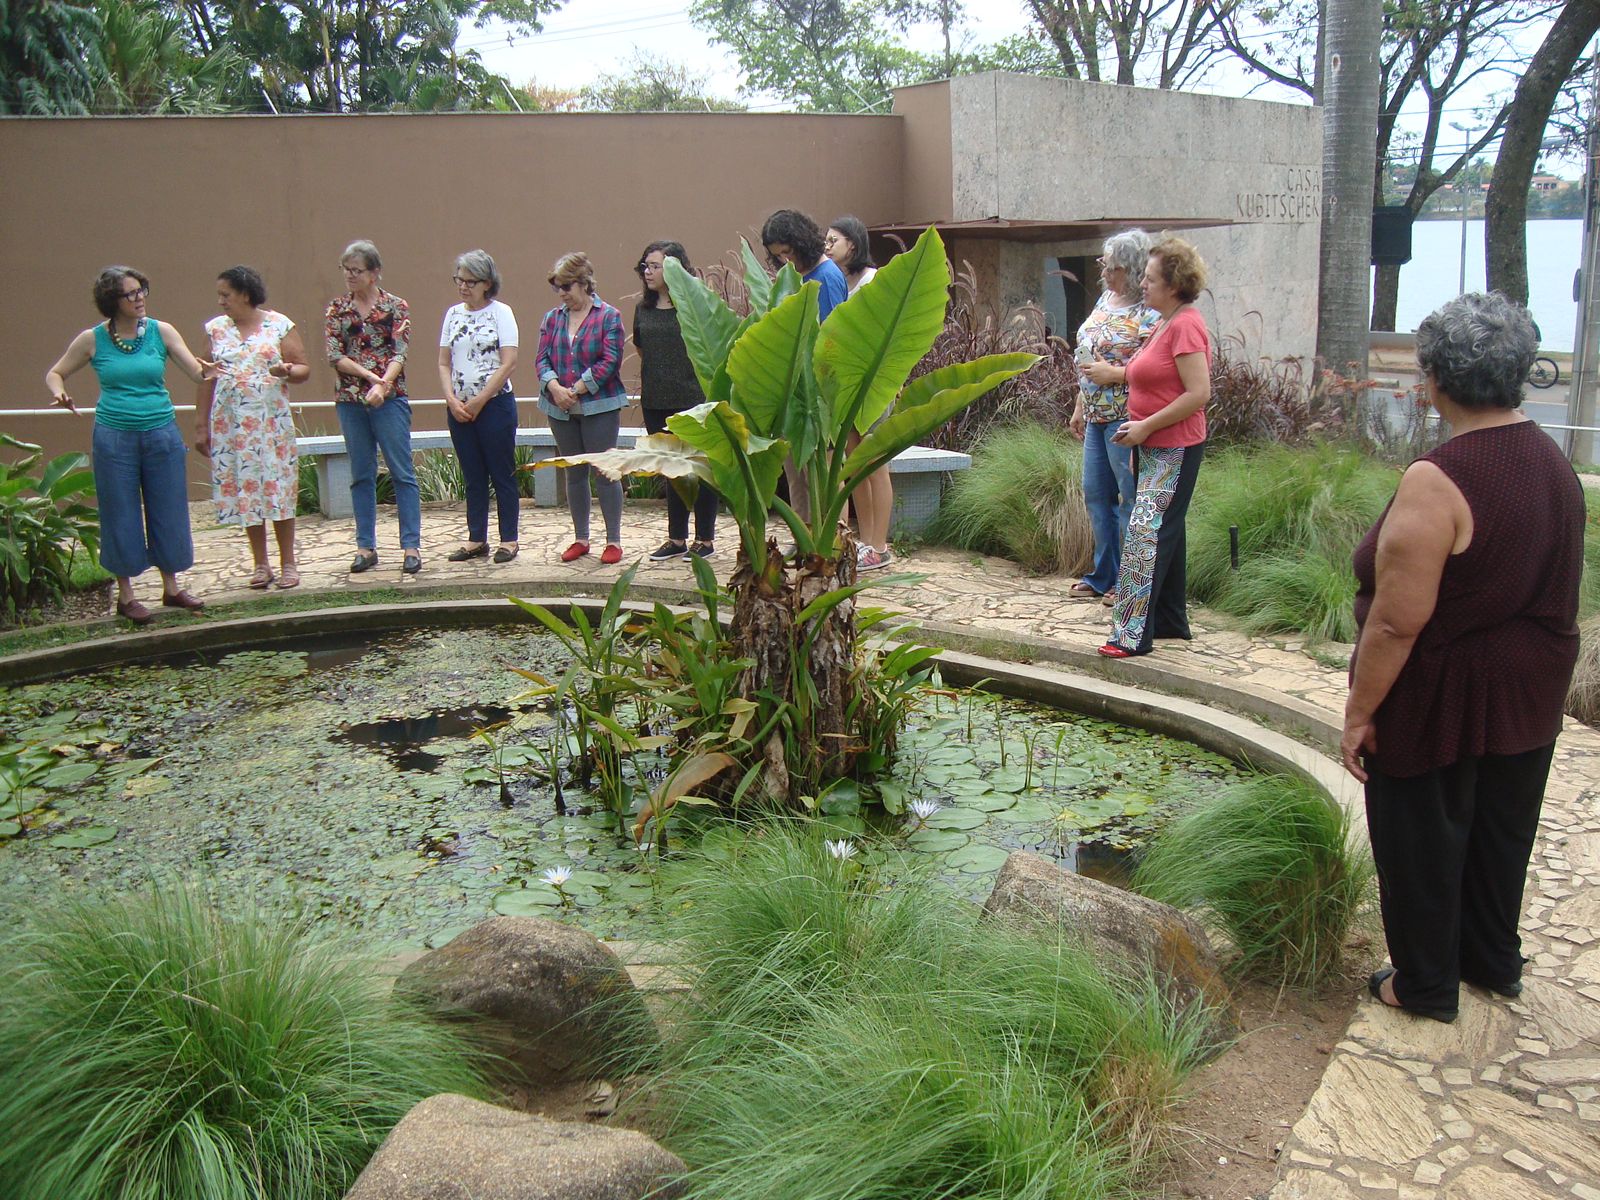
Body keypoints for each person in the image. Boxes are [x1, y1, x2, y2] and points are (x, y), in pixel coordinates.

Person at [1343, 292, 1583, 1024]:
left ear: (1437, 381)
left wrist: (1359, 713)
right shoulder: (1551, 459)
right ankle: (1489, 960)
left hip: (1445, 687)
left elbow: (1395, 623)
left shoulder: (1438, 479)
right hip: (1531, 685)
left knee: (1420, 833)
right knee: (1501, 828)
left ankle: (1423, 983)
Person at [45, 266, 216, 624]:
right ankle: (127, 596)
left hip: (161, 433)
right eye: (130, 293)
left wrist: (210, 370)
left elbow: (196, 372)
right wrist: (59, 393)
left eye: (142, 291)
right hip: (114, 437)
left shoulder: (161, 331)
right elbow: (55, 372)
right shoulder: (92, 339)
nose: (139, 299)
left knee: (168, 509)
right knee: (119, 513)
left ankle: (171, 588)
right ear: (112, 301)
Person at [1098, 235, 1211, 659]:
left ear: (1174, 283)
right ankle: (1168, 619)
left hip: (1174, 447)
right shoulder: (1165, 320)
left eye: (1150, 279)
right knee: (1166, 529)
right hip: (1152, 445)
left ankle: (1130, 633)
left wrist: (1145, 426)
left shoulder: (1185, 324)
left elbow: (1198, 392)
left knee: (1146, 533)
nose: (1142, 285)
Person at [196, 265, 309, 589]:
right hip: (232, 427)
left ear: (245, 294)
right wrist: (200, 424)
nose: (221, 302)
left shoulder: (279, 325)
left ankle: (289, 564)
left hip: (270, 425)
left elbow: (304, 368)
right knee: (247, 492)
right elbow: (205, 377)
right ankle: (261, 565)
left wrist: (286, 369)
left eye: (225, 295)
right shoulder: (216, 330)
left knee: (279, 490)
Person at [1072, 230, 1158, 606]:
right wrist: (1080, 401)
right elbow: (1088, 352)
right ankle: (1102, 572)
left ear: (1134, 268)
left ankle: (1127, 581)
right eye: (1104, 264)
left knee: (1129, 499)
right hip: (1095, 415)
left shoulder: (1149, 309)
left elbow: (1153, 364)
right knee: (1095, 493)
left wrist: (1118, 375)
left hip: (1128, 418)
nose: (1105, 272)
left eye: (1114, 267)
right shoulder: (1107, 298)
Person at [325, 239, 420, 576]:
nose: (350, 276)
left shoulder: (396, 306)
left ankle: (411, 546)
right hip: (351, 400)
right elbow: (335, 355)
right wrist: (370, 378)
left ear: (374, 272)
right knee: (361, 474)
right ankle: (365, 547)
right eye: (346, 270)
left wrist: (385, 385)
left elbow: (400, 351)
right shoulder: (337, 309)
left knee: (402, 472)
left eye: (356, 270)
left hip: (390, 400)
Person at [537, 251, 626, 564]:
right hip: (559, 407)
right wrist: (554, 388)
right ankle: (581, 538)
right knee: (574, 474)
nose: (562, 294)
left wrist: (576, 389)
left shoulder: (609, 316)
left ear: (585, 283)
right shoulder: (552, 318)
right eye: (557, 288)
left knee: (605, 473)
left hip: (599, 406)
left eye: (567, 286)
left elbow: (610, 360)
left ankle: (613, 540)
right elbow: (542, 359)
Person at [761, 208, 846, 531]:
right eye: (777, 256)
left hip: (819, 392)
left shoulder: (826, 276)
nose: (784, 260)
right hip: (792, 391)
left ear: (801, 242)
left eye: (787, 251)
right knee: (795, 472)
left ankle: (833, 541)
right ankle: (804, 540)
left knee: (823, 473)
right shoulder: (792, 278)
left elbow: (830, 338)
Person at [635, 240, 719, 562]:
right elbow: (643, 350)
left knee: (699, 468)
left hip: (693, 398)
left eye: (655, 266)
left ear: (675, 268)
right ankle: (676, 538)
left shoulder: (693, 306)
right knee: (672, 472)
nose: (648, 272)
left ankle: (705, 539)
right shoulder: (642, 310)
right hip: (656, 400)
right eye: (646, 266)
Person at [438, 249, 520, 564]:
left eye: (470, 281)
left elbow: (509, 361)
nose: (463, 286)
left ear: (487, 282)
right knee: (472, 475)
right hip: (459, 408)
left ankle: (509, 540)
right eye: (459, 279)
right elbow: (444, 362)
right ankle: (476, 539)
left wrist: (480, 399)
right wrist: (451, 398)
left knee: (501, 473)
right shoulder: (452, 315)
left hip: (494, 405)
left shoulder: (501, 313)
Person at [825, 215, 894, 572]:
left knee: (875, 462)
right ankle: (865, 541)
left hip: (874, 383)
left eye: (833, 240)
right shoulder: (836, 281)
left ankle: (880, 545)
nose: (827, 246)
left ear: (853, 243)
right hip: (846, 383)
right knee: (854, 466)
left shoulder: (873, 280)